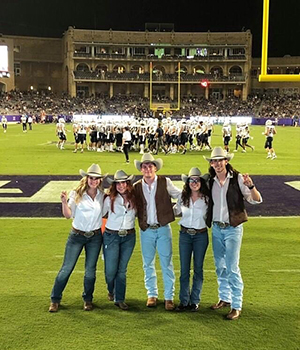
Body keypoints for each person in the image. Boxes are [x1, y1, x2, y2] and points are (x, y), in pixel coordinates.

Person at [204, 147, 262, 320]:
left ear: (226, 161)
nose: (217, 164)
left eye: (220, 160)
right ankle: (224, 298)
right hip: (216, 228)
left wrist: (251, 186)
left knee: (232, 267)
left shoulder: (237, 179)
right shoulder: (210, 181)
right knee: (219, 265)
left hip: (233, 228)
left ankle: (237, 305)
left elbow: (256, 199)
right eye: (214, 161)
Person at [49, 164, 106, 312]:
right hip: (77, 235)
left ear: (100, 180)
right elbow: (68, 215)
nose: (93, 181)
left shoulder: (102, 195)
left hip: (95, 237)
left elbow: (107, 213)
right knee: (67, 268)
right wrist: (63, 202)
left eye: (96, 178)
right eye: (91, 178)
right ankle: (55, 299)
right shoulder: (76, 194)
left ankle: (88, 299)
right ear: (87, 179)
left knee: (90, 271)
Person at [133, 153, 181, 311]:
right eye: (144, 166)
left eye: (150, 166)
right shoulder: (137, 186)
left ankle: (169, 297)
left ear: (155, 168)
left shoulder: (165, 182)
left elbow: (181, 195)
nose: (147, 169)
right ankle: (152, 294)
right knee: (148, 263)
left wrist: (173, 211)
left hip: (163, 229)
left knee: (166, 263)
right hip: (146, 230)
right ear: (141, 169)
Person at [174, 167, 210, 312]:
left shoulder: (207, 199)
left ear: (201, 182)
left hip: (201, 235)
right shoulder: (182, 197)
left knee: (198, 269)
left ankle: (195, 301)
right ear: (187, 182)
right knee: (184, 270)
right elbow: (175, 211)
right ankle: (184, 301)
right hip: (184, 236)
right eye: (191, 180)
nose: (194, 183)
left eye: (196, 180)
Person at [102, 170, 136, 310]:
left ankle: (119, 298)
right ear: (114, 185)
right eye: (118, 183)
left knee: (122, 270)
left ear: (128, 184)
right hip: (111, 236)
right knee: (110, 270)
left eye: (123, 182)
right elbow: (101, 215)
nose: (121, 186)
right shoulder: (108, 199)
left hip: (129, 236)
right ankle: (111, 289)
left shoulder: (135, 198)